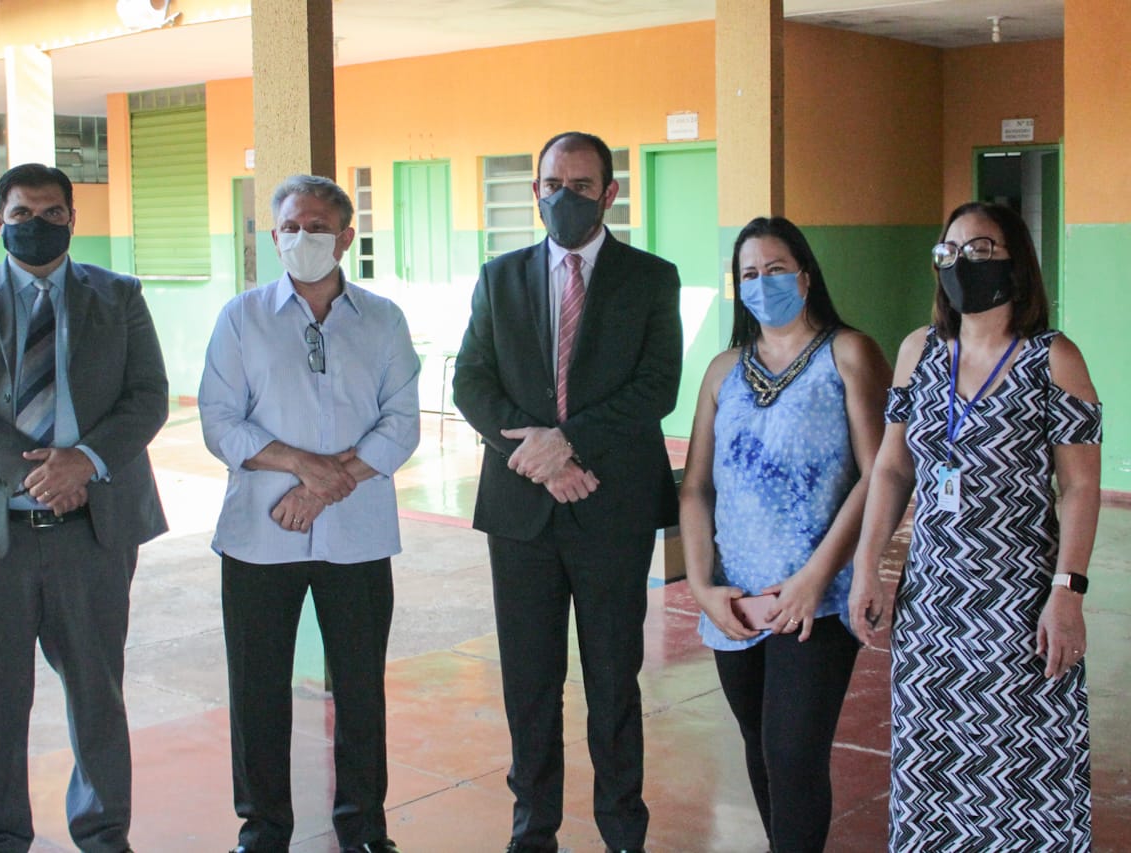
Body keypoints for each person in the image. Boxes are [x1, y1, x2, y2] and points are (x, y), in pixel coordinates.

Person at [0, 163, 169, 853]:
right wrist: (38, 472)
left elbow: (147, 394)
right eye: (21, 213)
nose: (36, 225)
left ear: (73, 219)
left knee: (97, 694)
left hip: (93, 527)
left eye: (52, 212)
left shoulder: (119, 296)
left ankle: (104, 831)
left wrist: (82, 462)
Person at [452, 131, 682, 853]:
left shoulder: (651, 277)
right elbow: (471, 382)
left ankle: (622, 829)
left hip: (611, 504)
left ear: (610, 194)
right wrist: (542, 458)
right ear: (535, 190)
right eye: (553, 182)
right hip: (522, 512)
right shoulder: (500, 276)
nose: (565, 196)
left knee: (615, 678)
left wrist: (569, 440)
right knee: (529, 680)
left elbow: (657, 386)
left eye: (582, 185)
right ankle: (533, 827)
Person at [850, 202, 1101, 851]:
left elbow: (1078, 484)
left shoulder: (1053, 359)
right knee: (934, 765)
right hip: (933, 601)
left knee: (1025, 761)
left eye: (982, 249)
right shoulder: (918, 351)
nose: (964, 263)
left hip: (1020, 603)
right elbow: (891, 468)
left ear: (1015, 262)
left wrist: (1068, 589)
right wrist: (868, 564)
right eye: (951, 251)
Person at [198, 174, 420, 853]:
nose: (303, 238)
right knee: (257, 689)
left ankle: (363, 825)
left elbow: (401, 423)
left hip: (357, 536)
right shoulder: (241, 317)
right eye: (291, 227)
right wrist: (300, 463)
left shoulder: (382, 318)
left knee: (359, 688)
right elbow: (218, 420)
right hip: (260, 534)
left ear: (348, 236)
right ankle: (262, 827)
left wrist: (326, 483)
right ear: (273, 236)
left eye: (318, 226)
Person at [677, 216, 889, 852]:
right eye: (748, 273)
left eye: (775, 269)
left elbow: (878, 475)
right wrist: (704, 587)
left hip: (816, 600)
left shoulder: (848, 353)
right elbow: (695, 489)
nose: (762, 282)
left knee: (794, 755)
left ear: (804, 274)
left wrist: (814, 580)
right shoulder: (722, 370)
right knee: (761, 749)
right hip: (735, 603)